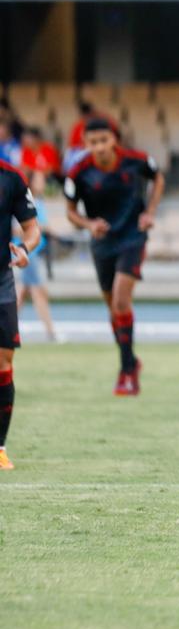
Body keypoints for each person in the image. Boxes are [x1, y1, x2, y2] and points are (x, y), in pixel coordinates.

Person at [64, 119, 165, 396]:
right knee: (113, 308)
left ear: (114, 140)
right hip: (102, 242)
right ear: (85, 144)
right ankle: (131, 361)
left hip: (132, 236)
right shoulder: (78, 173)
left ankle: (126, 372)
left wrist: (151, 212)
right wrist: (88, 225)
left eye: (104, 141)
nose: (99, 147)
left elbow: (158, 178)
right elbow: (70, 212)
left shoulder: (137, 160)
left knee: (121, 299)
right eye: (92, 142)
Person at [0, 158, 42, 470]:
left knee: (3, 362)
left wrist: (25, 248)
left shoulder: (11, 177)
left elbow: (32, 228)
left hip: (1, 279)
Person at [15, 173, 58, 342]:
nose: (42, 183)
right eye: (39, 179)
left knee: (21, 294)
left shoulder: (38, 202)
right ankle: (51, 332)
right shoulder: (24, 201)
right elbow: (19, 227)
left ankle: (6, 329)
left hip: (35, 253)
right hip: (27, 252)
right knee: (38, 292)